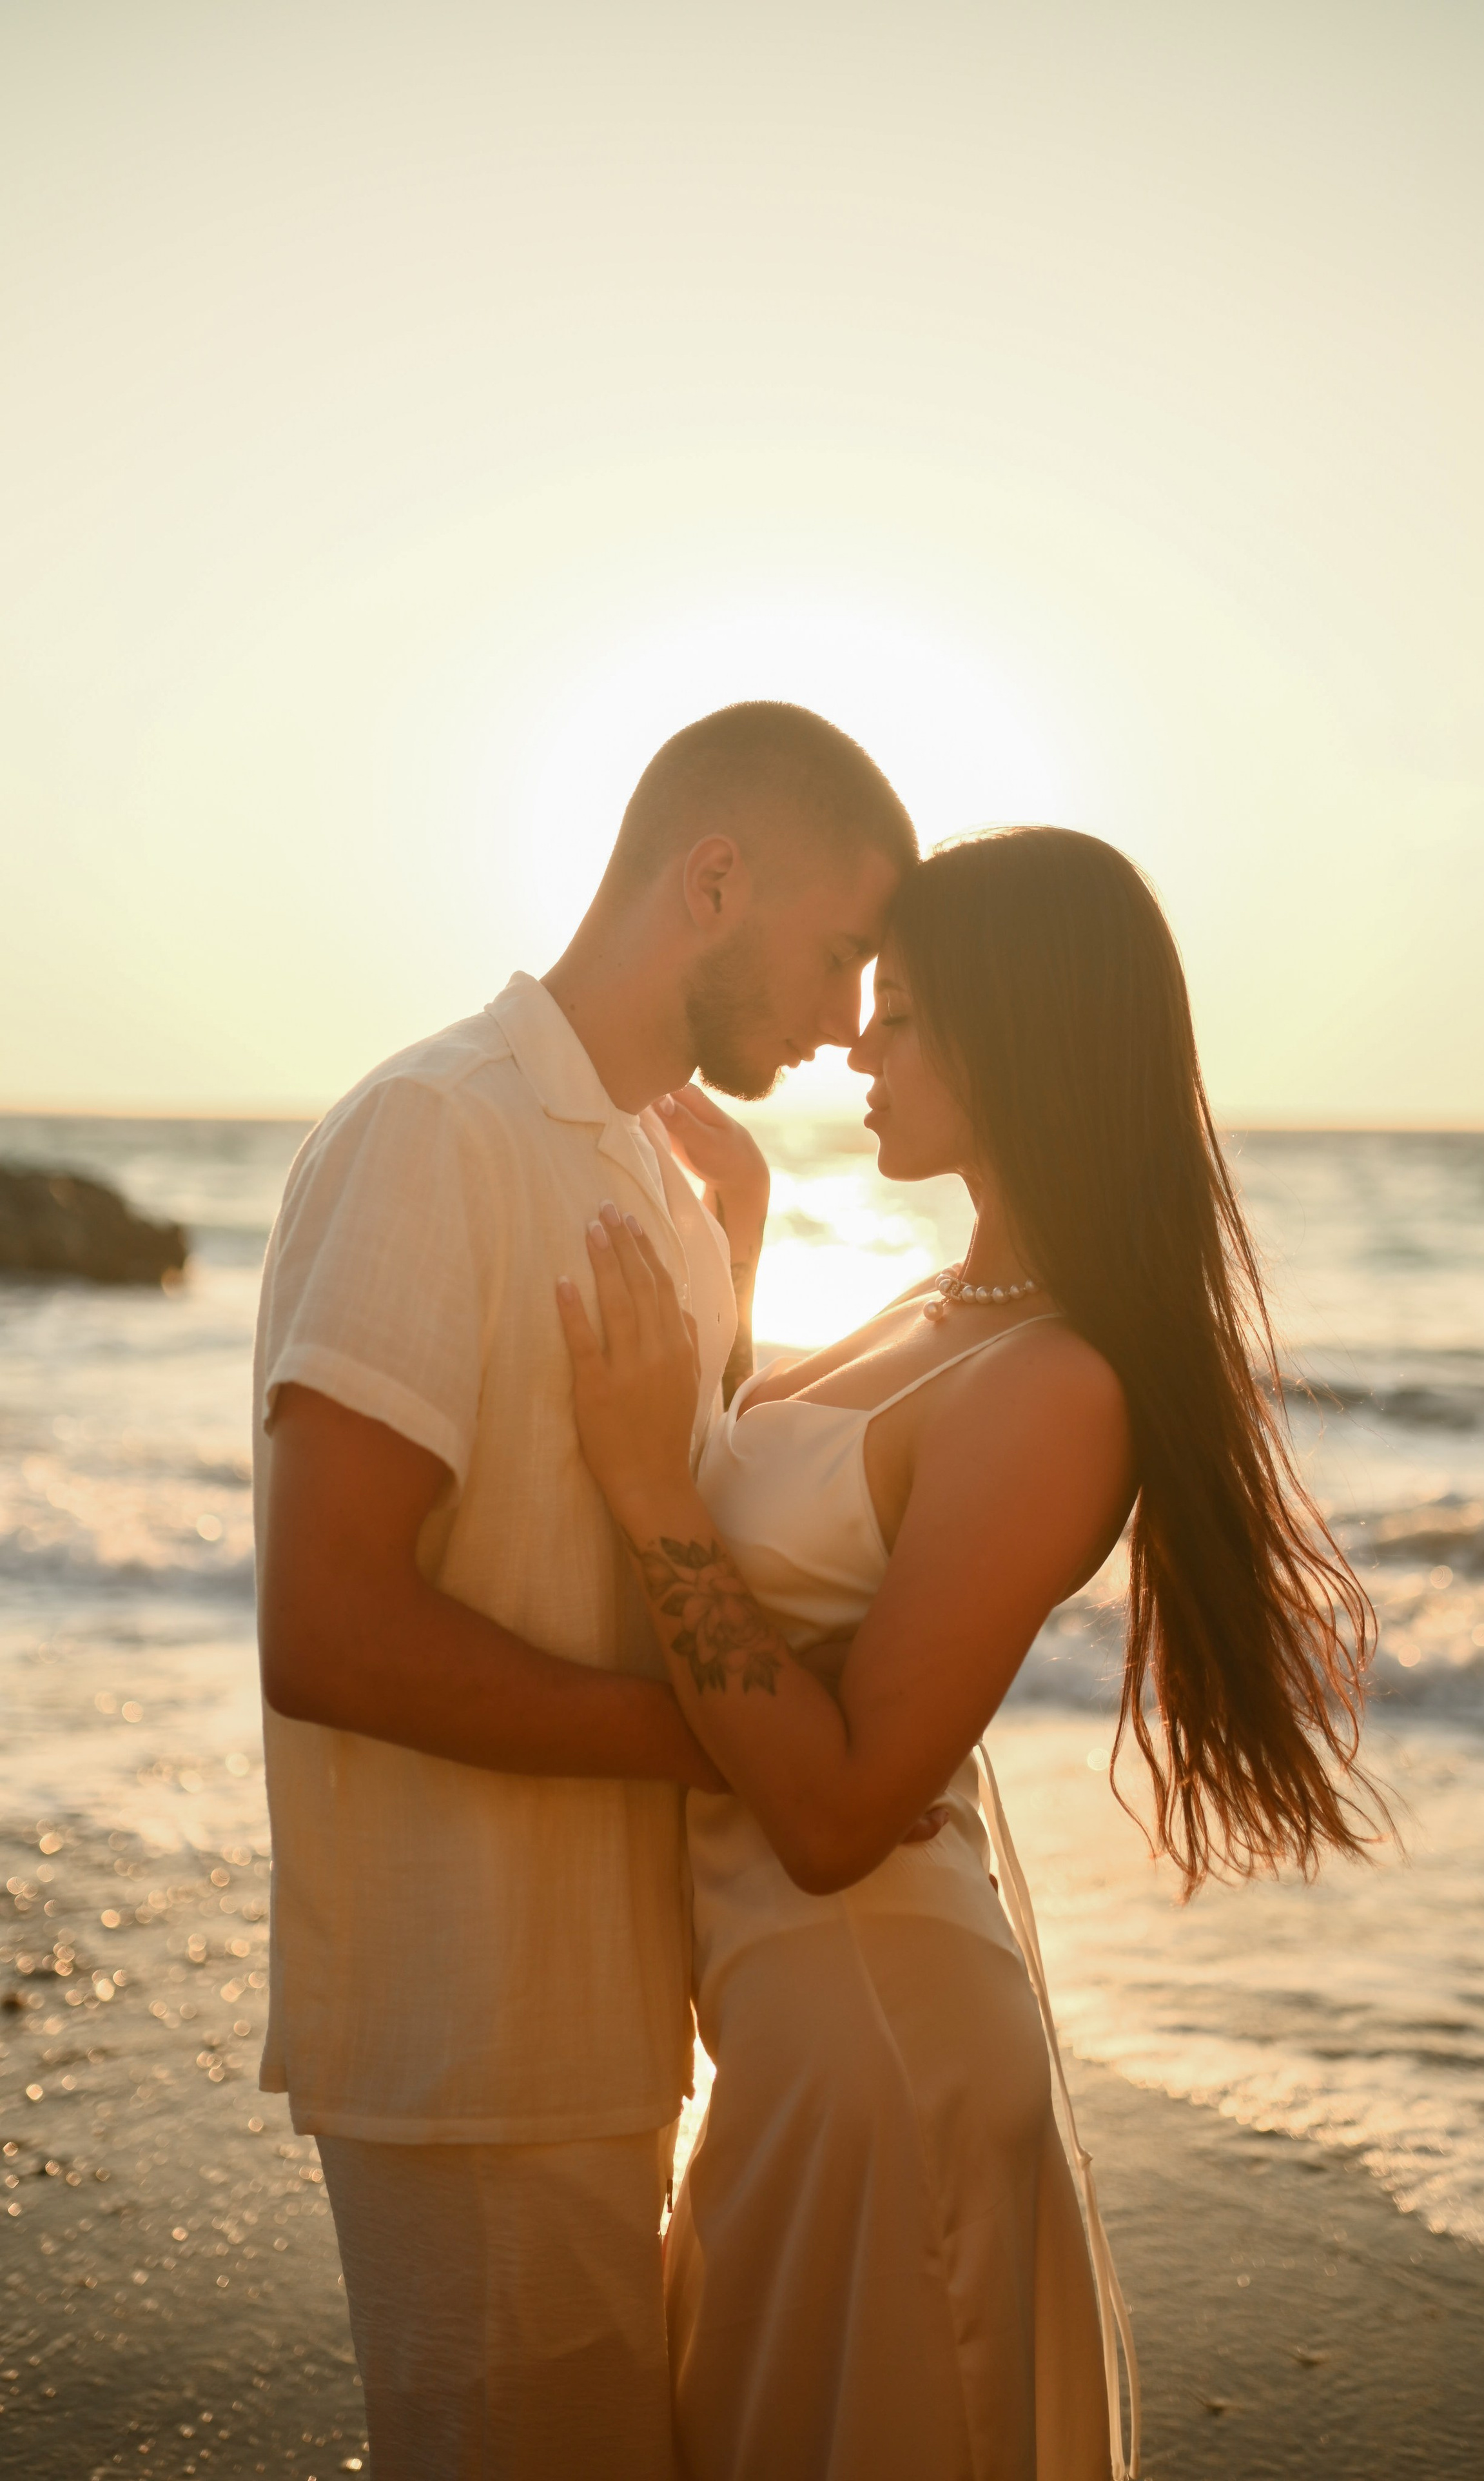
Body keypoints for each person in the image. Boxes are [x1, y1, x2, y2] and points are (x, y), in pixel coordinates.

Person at [558, 825, 1380, 2481]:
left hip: (879, 2049)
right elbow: (788, 1520)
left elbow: (843, 1806)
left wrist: (648, 1481)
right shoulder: (952, 1307)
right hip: (798, 2042)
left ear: (1019, 1043)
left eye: (909, 1015)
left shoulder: (1055, 1388)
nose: (860, 1039)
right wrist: (735, 1230)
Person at [252, 701, 919, 2479]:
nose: (854, 1015)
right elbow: (325, 1625)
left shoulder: (661, 1177)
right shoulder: (435, 1131)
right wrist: (713, 1746)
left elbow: (671, 1523)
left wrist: (746, 1262)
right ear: (715, 881)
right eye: (843, 950)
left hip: (619, 2017)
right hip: (468, 2025)